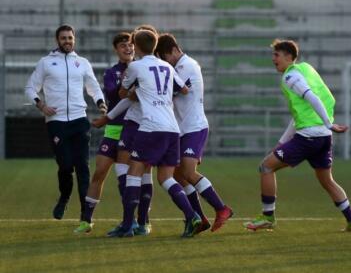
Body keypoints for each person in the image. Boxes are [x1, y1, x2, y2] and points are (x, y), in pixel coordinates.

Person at [244, 39, 351, 232]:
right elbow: (300, 114)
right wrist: (281, 143)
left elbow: (311, 97)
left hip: (309, 137)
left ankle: (267, 216)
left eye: (277, 55)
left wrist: (329, 123)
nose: (273, 59)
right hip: (322, 137)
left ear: (289, 57)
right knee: (327, 180)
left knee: (266, 167)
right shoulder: (306, 69)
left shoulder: (291, 77)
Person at [112, 29, 201, 237]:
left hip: (151, 127)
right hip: (172, 129)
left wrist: (137, 91)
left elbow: (123, 93)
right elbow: (184, 90)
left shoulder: (135, 66)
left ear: (137, 46)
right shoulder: (167, 68)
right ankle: (192, 216)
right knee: (166, 178)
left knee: (133, 172)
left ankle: (127, 225)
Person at [25, 24, 107, 221]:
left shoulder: (83, 62)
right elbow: (30, 88)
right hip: (56, 121)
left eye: (70, 38)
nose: (67, 41)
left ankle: (85, 215)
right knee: (65, 166)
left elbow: (93, 87)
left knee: (83, 166)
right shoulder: (46, 63)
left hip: (80, 119)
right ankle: (64, 197)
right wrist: (41, 106)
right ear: (57, 40)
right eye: (63, 38)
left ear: (74, 39)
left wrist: (101, 103)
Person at [155, 33, 233, 233]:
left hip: (194, 127)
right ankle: (200, 218)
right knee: (180, 176)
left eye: (164, 57)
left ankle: (221, 208)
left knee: (188, 172)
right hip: (183, 129)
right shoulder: (178, 66)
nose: (165, 63)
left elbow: (178, 90)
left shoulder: (186, 65)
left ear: (173, 50)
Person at [74, 32, 137, 233]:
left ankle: (134, 220)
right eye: (123, 46)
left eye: (130, 45)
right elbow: (111, 93)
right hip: (113, 127)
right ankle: (86, 220)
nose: (127, 49)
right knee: (100, 172)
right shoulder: (112, 72)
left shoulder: (142, 69)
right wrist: (126, 81)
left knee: (128, 175)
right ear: (116, 50)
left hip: (134, 128)